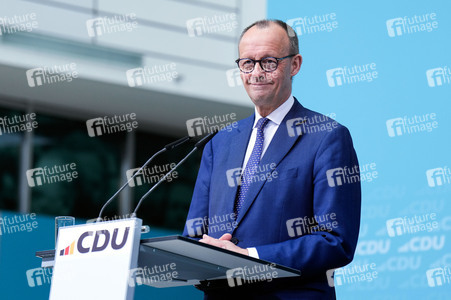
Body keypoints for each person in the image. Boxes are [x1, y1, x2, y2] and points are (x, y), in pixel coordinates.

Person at [183, 19, 361, 299]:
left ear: (295, 65)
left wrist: (249, 257)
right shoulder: (219, 143)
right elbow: (194, 233)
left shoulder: (327, 137)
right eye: (247, 63)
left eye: (268, 62)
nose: (256, 73)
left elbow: (335, 241)